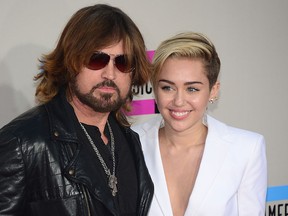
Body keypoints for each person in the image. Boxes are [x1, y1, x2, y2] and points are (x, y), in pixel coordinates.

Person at [0, 4, 154, 216]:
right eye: (97, 59)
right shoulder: (23, 143)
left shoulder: (130, 140)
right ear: (70, 61)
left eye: (122, 62)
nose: (109, 73)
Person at [132, 32, 267, 216]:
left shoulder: (246, 149)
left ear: (213, 91)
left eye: (192, 89)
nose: (179, 101)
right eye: (168, 87)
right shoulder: (131, 142)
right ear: (155, 89)